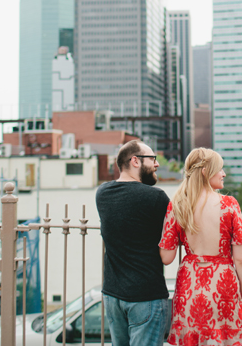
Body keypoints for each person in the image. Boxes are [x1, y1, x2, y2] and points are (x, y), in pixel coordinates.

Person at [159, 148, 242, 346]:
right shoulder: (229, 205)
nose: (224, 174)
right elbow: (241, 259)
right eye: (220, 169)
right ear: (204, 172)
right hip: (223, 287)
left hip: (189, 287)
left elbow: (167, 257)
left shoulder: (177, 205)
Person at [96, 140, 171, 346]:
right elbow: (171, 237)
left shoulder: (102, 193)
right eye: (152, 159)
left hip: (113, 295)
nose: (156, 164)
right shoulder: (156, 197)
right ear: (135, 161)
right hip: (146, 296)